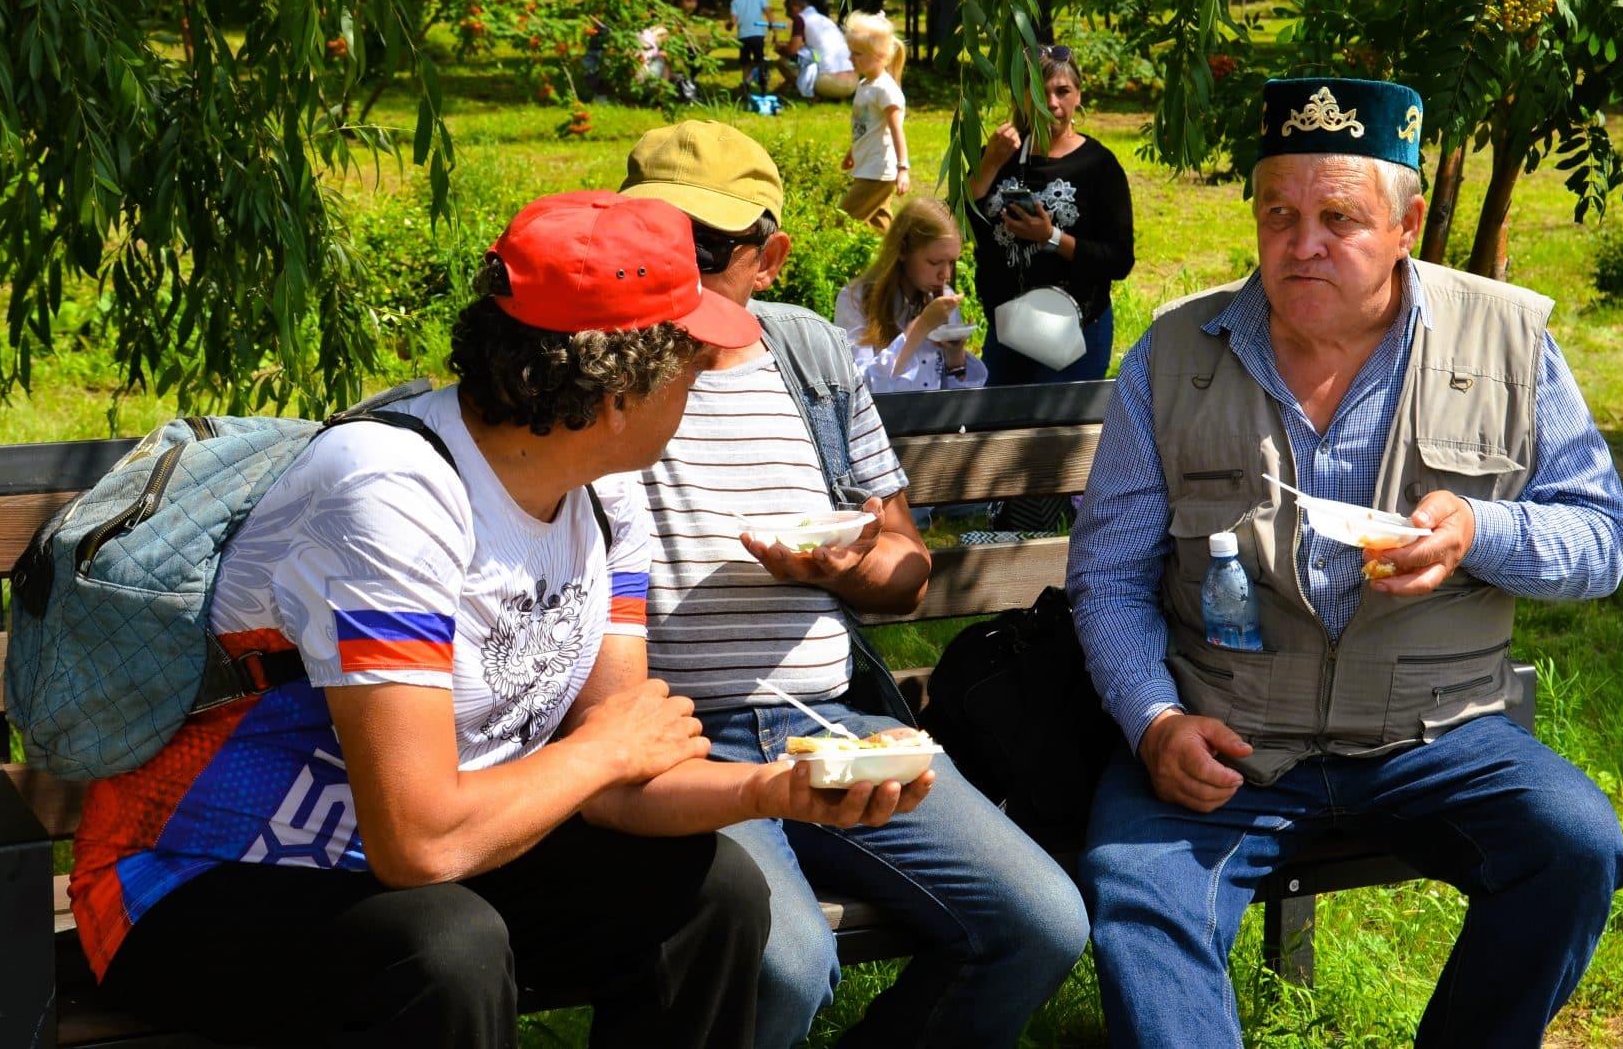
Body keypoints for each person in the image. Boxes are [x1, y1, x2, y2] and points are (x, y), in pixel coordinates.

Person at [73, 191, 934, 1049]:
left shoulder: (604, 491)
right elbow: (420, 839)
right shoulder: (391, 492)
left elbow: (617, 784)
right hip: (198, 876)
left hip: (448, 854)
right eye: (693, 359)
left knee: (714, 894)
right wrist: (599, 751)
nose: (710, 377)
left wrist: (774, 791)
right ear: (619, 393)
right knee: (445, 947)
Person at [1069, 77, 1623, 1049]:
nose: (1301, 245)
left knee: (1571, 845)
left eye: (1338, 217)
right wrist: (1154, 720)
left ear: (1408, 222)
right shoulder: (1170, 355)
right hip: (1228, 735)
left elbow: (1599, 541)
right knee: (1140, 893)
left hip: (1432, 737)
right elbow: (1110, 578)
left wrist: (1476, 530)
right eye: (1277, 214)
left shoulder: (1505, 343)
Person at [618, 121, 1089, 1049]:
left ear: (770, 255)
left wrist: (852, 566)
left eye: (707, 248)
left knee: (1041, 923)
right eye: (651, 239)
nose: (674, 268)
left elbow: (906, 564)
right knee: (783, 961)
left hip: (826, 725)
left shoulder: (806, 357)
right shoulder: (603, 363)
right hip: (668, 742)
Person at [969, 44, 1135, 383]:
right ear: (1022, 98)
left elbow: (1119, 260)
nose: (1053, 105)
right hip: (1008, 331)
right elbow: (958, 230)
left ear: (1078, 96)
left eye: (1063, 91)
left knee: (1061, 435)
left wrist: (1052, 238)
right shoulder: (1001, 153)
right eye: (1040, 94)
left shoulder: (1099, 166)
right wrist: (987, 167)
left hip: (1075, 334)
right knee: (1001, 433)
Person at [834, 197, 988, 394]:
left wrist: (955, 357)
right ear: (903, 251)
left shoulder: (942, 298)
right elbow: (859, 389)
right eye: (934, 262)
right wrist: (919, 329)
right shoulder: (856, 299)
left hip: (933, 421)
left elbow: (955, 399)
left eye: (951, 263)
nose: (946, 275)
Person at [838, 10, 912, 230]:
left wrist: (903, 168)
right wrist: (852, 152)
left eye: (858, 53)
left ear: (879, 55)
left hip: (879, 170)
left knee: (844, 219)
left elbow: (896, 130)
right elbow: (866, 127)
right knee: (879, 224)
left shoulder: (885, 90)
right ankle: (894, 258)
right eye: (851, 52)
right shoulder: (864, 86)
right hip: (867, 165)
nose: (851, 58)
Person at [776, 0, 857, 101]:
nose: (787, 15)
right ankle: (835, 95)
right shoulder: (823, 20)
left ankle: (811, 95)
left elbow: (792, 51)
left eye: (788, 10)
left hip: (831, 83)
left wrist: (780, 49)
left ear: (794, 7)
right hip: (852, 83)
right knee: (812, 58)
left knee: (783, 62)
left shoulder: (800, 19)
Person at [728, 0, 774, 92]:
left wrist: (729, 26)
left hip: (743, 35)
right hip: (758, 34)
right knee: (760, 60)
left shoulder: (735, 1)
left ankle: (746, 84)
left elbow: (733, 21)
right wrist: (772, 25)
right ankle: (762, 83)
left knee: (745, 62)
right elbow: (768, 12)